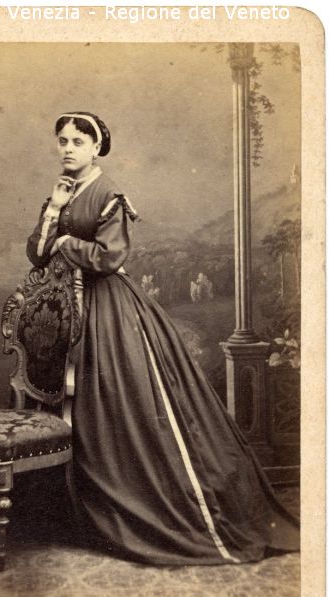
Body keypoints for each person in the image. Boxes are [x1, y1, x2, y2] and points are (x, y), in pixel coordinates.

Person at [26, 111, 299, 567]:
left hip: (106, 311)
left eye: (78, 142)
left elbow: (110, 257)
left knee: (117, 402)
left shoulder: (108, 195)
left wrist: (63, 244)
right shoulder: (61, 192)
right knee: (75, 404)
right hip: (64, 317)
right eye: (63, 141)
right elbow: (35, 253)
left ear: (96, 148)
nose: (68, 149)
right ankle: (78, 511)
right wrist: (54, 210)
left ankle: (139, 506)